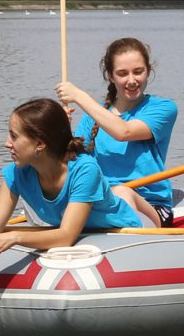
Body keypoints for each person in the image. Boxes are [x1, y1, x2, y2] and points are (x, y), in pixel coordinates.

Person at [0, 98, 156, 261]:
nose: (7, 143)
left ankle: (146, 208)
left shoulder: (85, 170)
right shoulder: (15, 175)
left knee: (124, 196)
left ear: (40, 144)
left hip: (124, 233)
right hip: (85, 236)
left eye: (14, 136)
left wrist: (15, 237)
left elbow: (65, 236)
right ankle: (125, 194)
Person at [54, 37, 177, 227]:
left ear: (148, 72)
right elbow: (70, 161)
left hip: (150, 206)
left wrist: (79, 96)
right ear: (111, 76)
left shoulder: (163, 108)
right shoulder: (92, 117)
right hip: (101, 201)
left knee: (122, 192)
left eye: (138, 72)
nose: (131, 80)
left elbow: (124, 132)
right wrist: (60, 129)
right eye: (122, 73)